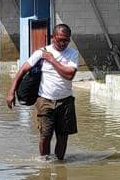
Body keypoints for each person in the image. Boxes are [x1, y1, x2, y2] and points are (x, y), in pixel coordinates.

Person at [7, 24, 79, 161]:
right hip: (45, 100)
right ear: (53, 38)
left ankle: (59, 163)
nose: (63, 43)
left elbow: (69, 75)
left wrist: (52, 60)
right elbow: (21, 71)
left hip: (66, 101)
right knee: (45, 135)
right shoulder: (41, 53)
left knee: (63, 136)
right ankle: (44, 163)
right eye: (60, 40)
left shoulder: (72, 54)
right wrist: (11, 92)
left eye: (66, 40)